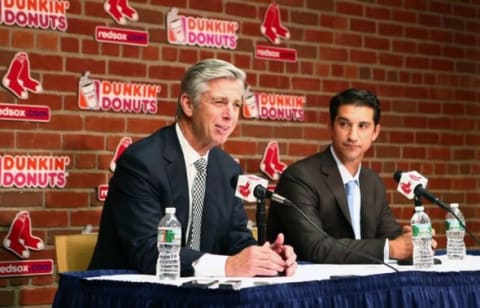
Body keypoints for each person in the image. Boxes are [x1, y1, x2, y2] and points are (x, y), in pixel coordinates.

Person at [89, 59, 297, 277]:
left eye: (236, 104)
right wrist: (228, 266)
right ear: (188, 104)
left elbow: (235, 238)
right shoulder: (142, 163)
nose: (230, 114)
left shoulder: (227, 169)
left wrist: (264, 258)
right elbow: (149, 252)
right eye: (219, 102)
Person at [267, 88, 425, 264]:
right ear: (331, 126)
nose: (352, 136)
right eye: (344, 124)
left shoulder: (372, 182)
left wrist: (414, 240)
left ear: (375, 132)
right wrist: (392, 248)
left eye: (363, 126)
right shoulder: (300, 177)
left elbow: (389, 235)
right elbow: (317, 247)